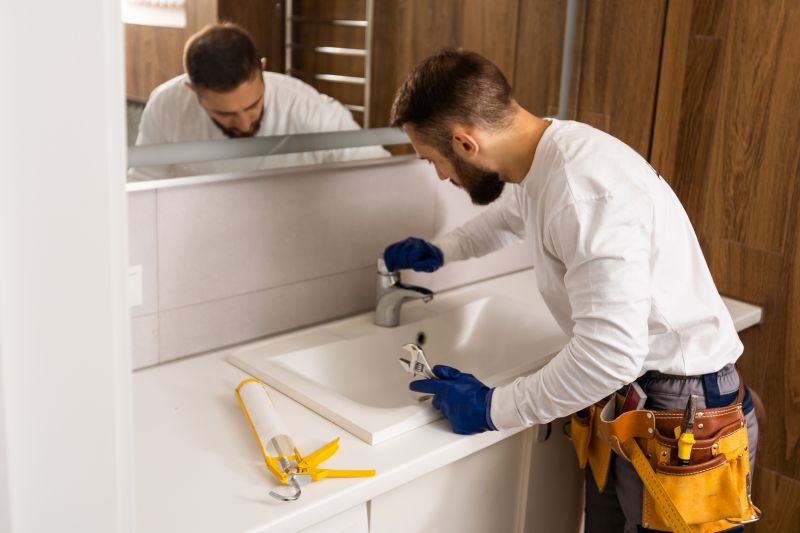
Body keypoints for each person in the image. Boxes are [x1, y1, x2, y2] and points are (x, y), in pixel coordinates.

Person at [383, 48, 758, 532]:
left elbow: (609, 355)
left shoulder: (583, 190)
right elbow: (511, 217)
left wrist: (492, 408)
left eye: (433, 159)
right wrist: (442, 251)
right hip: (637, 401)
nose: (439, 174)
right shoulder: (550, 154)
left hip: (682, 415)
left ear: (465, 143)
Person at [129, 23, 388, 180]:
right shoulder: (166, 105)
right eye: (225, 114)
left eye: (252, 106)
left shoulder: (309, 109)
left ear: (262, 69)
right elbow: (143, 184)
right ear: (192, 89)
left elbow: (380, 170)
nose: (243, 123)